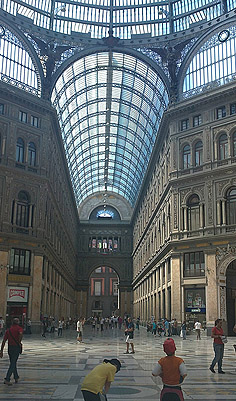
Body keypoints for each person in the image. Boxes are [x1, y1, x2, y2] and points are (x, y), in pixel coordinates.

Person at [0, 317, 23, 385]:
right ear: (18, 322)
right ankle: (7, 379)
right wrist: (19, 341)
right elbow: (21, 334)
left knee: (13, 362)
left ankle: (16, 377)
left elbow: (4, 341)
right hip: (16, 347)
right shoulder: (19, 328)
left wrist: (1, 350)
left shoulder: (8, 330)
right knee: (13, 363)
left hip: (10, 348)